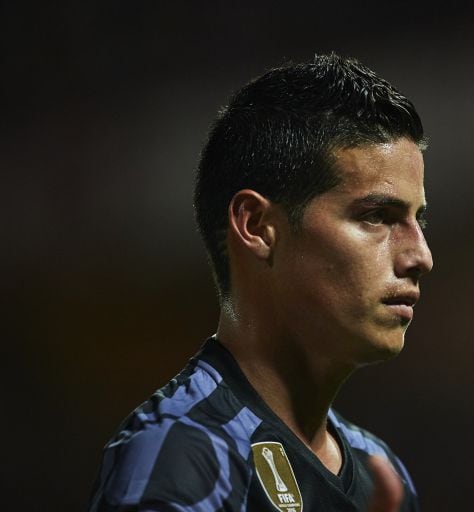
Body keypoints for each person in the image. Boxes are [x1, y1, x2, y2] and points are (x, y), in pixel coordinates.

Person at [88, 53, 433, 512]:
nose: (420, 256)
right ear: (256, 226)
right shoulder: (182, 458)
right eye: (376, 216)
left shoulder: (381, 475)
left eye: (418, 220)